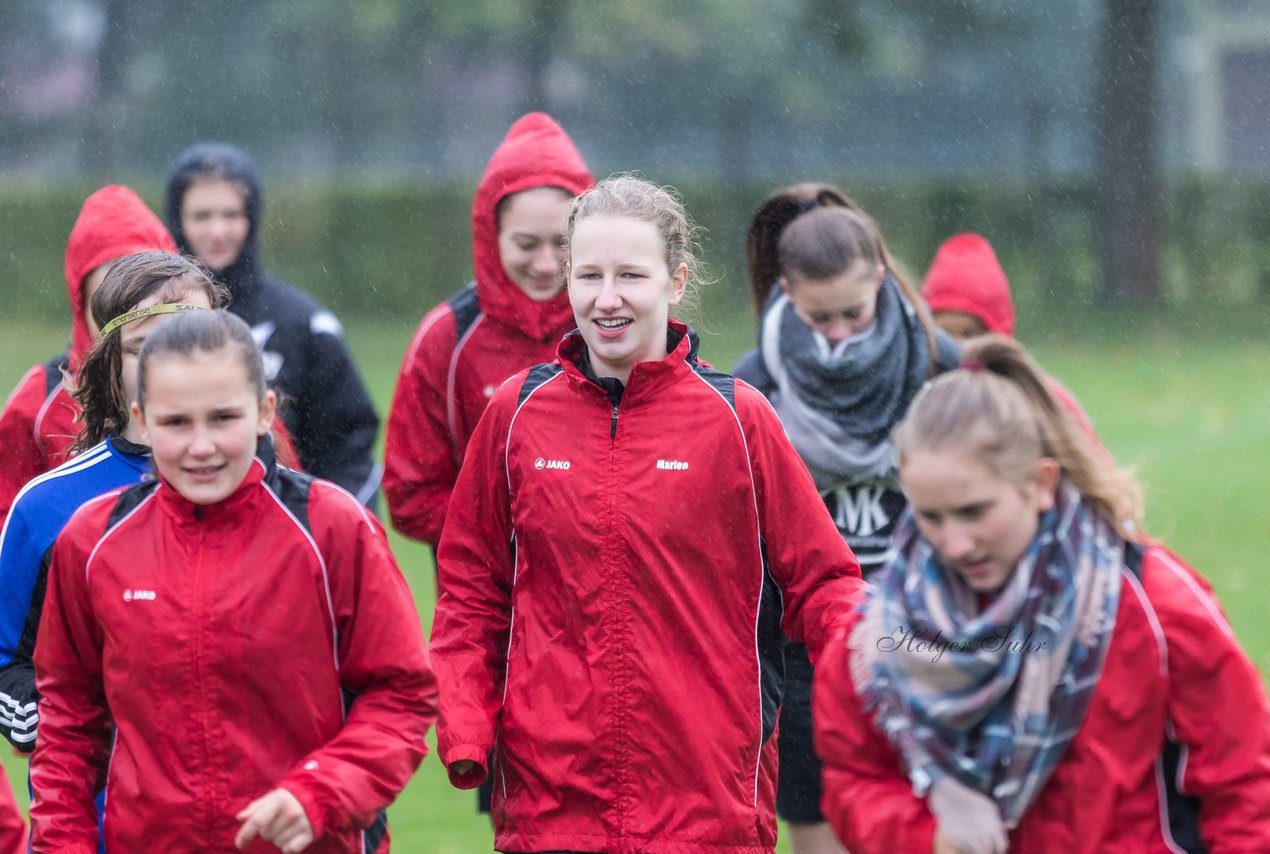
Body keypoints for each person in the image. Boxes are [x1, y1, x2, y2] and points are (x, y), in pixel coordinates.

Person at [430, 175, 863, 852]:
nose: (607, 299)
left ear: (675, 281)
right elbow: (469, 592)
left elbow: (823, 581)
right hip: (550, 804)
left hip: (708, 802)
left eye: (631, 275)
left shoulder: (738, 419)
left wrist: (879, 665)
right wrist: (465, 725)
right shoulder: (515, 415)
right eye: (589, 275)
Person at [813, 335, 1270, 853]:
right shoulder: (878, 631)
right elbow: (853, 775)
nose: (954, 542)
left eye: (974, 511)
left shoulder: (1152, 604)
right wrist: (930, 838)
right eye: (931, 516)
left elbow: (1246, 791)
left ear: (1040, 484)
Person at [30, 309, 436, 853]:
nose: (201, 446)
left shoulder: (332, 528)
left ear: (265, 412)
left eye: (223, 418)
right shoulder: (93, 540)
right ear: (142, 420)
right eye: (176, 422)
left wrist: (322, 792)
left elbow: (403, 693)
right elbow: (68, 722)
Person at [734, 183, 957, 854]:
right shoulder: (752, 389)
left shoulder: (941, 365)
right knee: (819, 823)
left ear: (882, 276)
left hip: (932, 633)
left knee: (935, 822)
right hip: (807, 651)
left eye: (853, 314)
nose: (837, 335)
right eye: (818, 318)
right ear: (786, 295)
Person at [0, 251, 224, 754]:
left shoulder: (297, 503)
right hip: (104, 823)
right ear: (111, 364)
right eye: (147, 348)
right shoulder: (49, 506)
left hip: (257, 823)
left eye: (198, 342)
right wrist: (79, 738)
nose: (177, 365)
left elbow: (363, 676)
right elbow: (6, 658)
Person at [384, 111, 592, 555]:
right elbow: (410, 496)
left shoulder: (613, 325)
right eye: (525, 244)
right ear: (490, 232)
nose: (543, 264)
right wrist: (518, 534)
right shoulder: (448, 338)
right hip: (487, 614)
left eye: (560, 243)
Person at [165, 143, 380, 506]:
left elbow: (348, 449)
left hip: (285, 536)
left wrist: (322, 528)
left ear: (252, 218)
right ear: (177, 220)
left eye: (231, 214)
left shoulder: (304, 325)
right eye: (202, 216)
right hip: (177, 528)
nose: (218, 230)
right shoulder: (151, 319)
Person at [0, 185, 178, 522]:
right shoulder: (39, 398)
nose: (128, 312)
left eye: (144, 292)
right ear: (81, 298)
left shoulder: (223, 386)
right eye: (109, 300)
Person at [921, 232, 1094, 435]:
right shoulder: (917, 404)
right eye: (943, 334)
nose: (956, 346)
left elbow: (1092, 464)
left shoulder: (1044, 403)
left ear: (998, 335)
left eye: (969, 334)